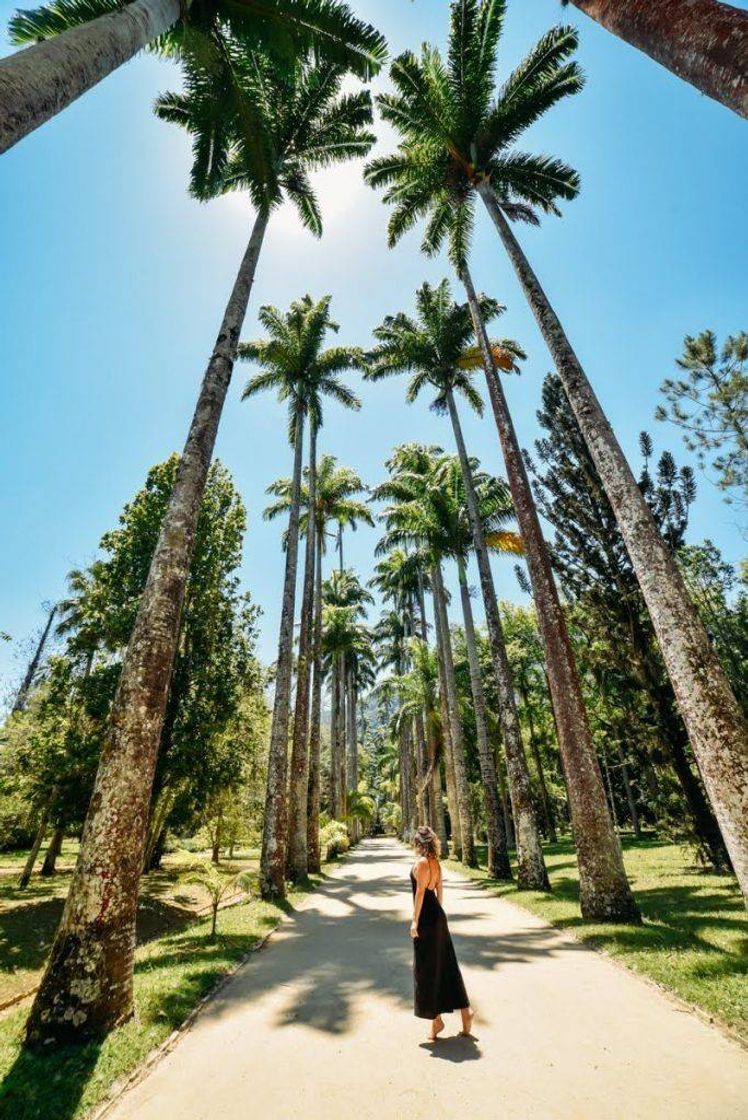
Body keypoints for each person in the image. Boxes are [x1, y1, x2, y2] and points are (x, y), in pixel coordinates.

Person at [409, 824, 474, 1041]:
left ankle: (436, 1020)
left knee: (426, 969)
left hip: (426, 919)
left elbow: (420, 894)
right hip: (438, 915)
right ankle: (465, 1012)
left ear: (419, 843)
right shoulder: (436, 863)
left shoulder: (421, 863)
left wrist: (415, 921)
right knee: (447, 965)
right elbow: (439, 892)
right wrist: (439, 915)